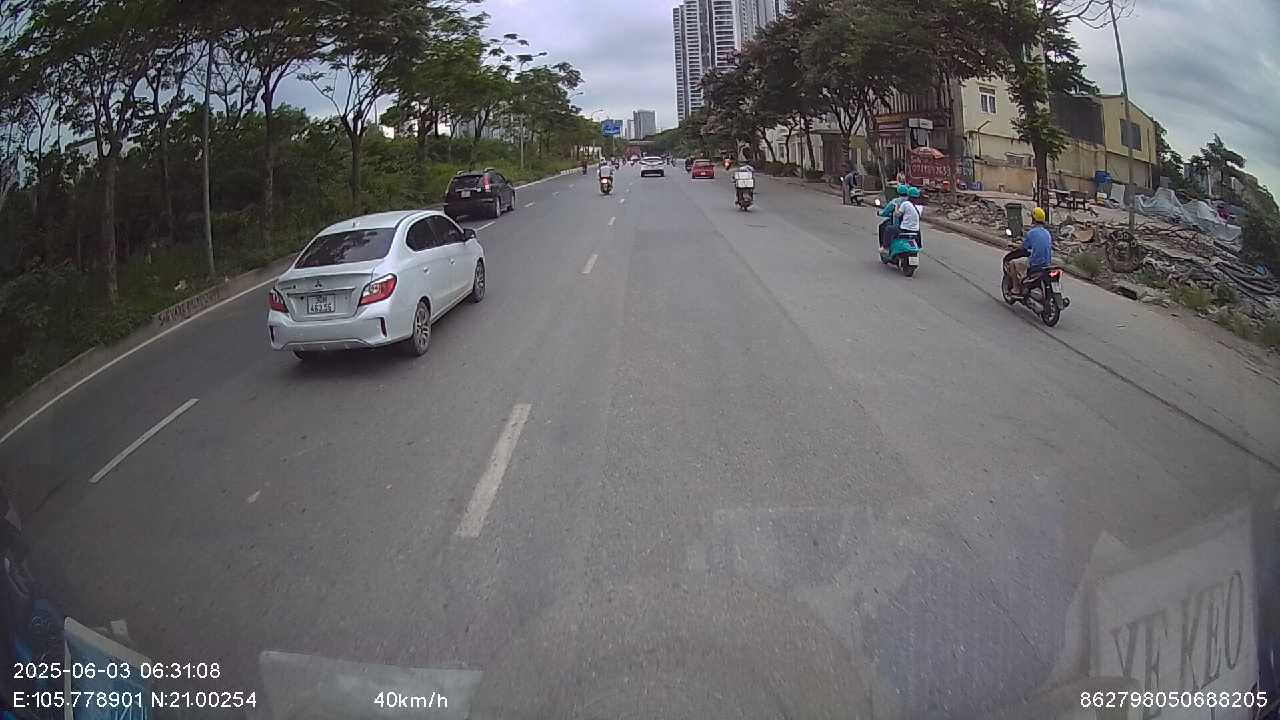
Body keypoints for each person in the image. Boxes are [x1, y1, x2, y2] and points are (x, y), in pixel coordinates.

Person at [1003, 206, 1052, 292]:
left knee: (1012, 263)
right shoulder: (1047, 233)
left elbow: (1023, 247)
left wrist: (1012, 245)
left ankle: (1016, 288)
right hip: (1047, 263)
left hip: (1035, 263)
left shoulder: (1031, 233)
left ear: (1033, 219)